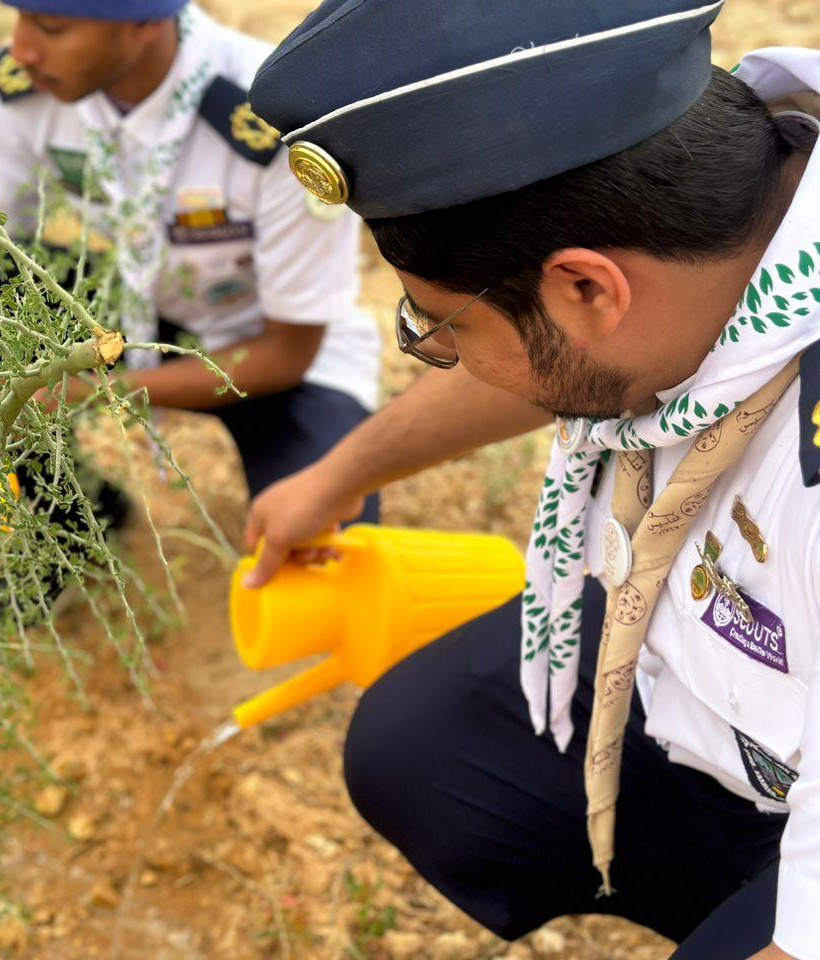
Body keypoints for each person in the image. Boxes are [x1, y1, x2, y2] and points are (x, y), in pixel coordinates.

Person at [241, 2, 820, 958]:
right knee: (422, 754)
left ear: (589, 287)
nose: (438, 349)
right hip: (701, 666)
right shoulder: (727, 224)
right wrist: (343, 471)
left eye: (444, 327)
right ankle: (731, 888)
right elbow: (575, 359)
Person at [0, 0, 383, 521]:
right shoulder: (34, 88)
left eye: (51, 27)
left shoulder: (277, 114)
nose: (22, 49)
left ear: (143, 22)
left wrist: (84, 391)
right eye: (20, 17)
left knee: (327, 532)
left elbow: (287, 353)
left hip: (267, 351)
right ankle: (71, 522)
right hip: (139, 309)